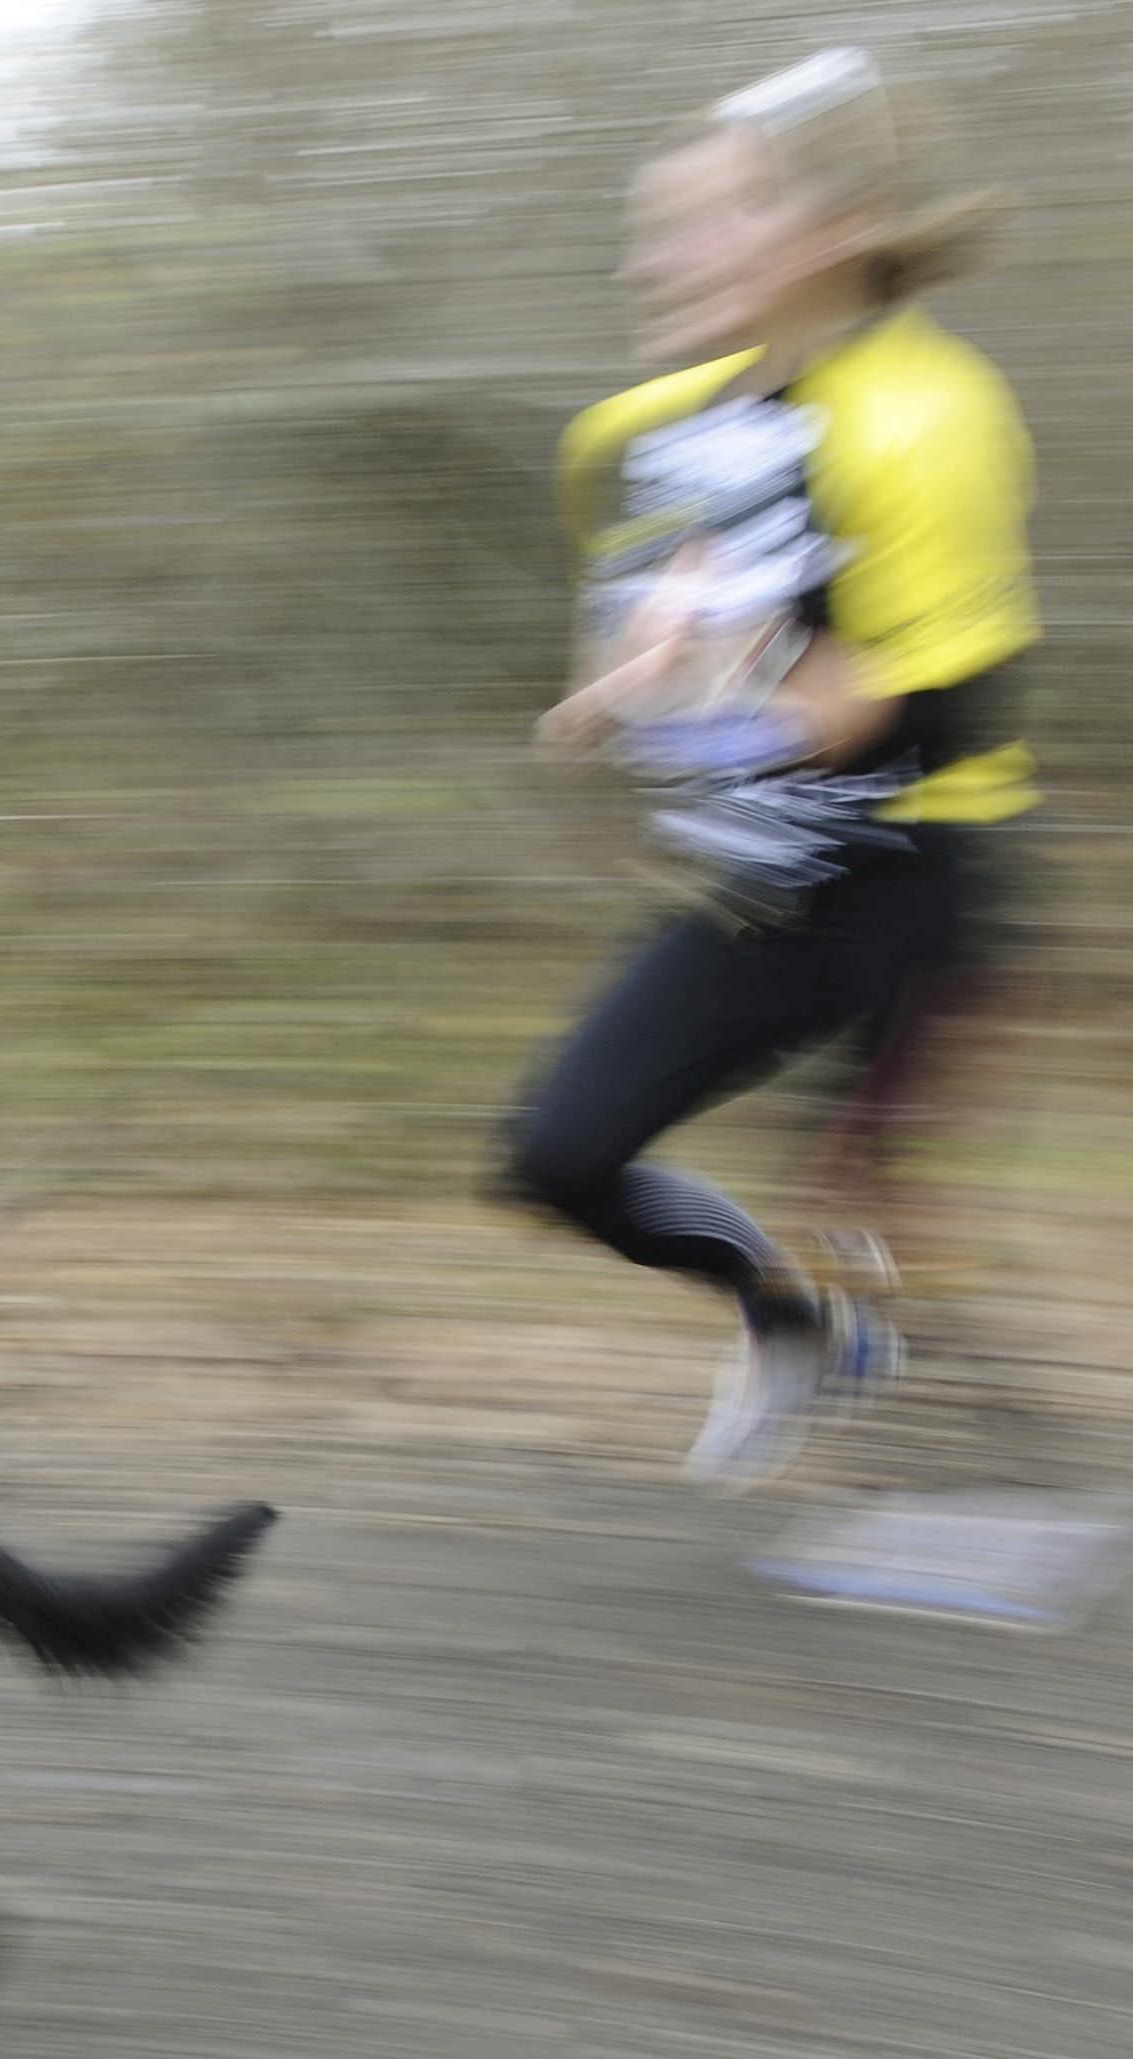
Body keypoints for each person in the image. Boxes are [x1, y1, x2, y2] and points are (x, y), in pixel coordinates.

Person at [501, 46, 1038, 1491]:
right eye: (660, 224)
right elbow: (624, 659)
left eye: (724, 213)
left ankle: (985, 1437)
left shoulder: (926, 419)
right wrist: (611, 692)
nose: (665, 255)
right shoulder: (634, 436)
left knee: (873, 1221)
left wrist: (717, 655)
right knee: (555, 1155)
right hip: (757, 889)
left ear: (847, 226)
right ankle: (790, 1327)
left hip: (917, 889)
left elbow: (940, 719)